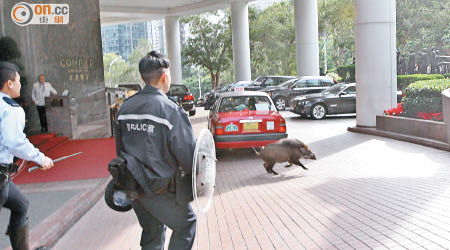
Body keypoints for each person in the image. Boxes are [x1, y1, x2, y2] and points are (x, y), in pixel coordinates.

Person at [114, 51, 196, 250]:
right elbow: (188, 156)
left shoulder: (125, 109)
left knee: (152, 232)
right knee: (187, 223)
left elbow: (120, 149)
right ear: (164, 76)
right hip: (159, 188)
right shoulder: (170, 110)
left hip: (133, 185)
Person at [0, 62, 54, 250]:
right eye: (18, 80)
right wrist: (40, 158)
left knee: (21, 204)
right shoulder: (11, 109)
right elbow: (14, 141)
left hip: (4, 180)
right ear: (9, 83)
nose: (21, 84)